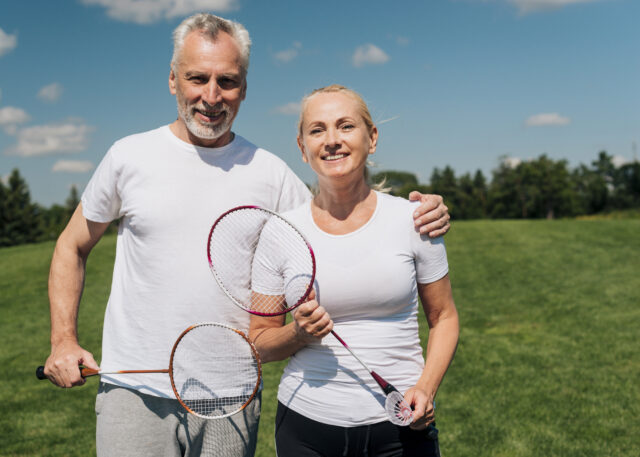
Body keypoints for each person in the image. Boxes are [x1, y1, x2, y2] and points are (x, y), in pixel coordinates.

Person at [42, 14, 451, 457]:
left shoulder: (271, 173)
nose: (212, 96)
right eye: (197, 78)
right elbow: (72, 245)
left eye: (228, 81)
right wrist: (63, 340)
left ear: (244, 87)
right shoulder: (128, 156)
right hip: (133, 391)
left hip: (232, 397)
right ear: (173, 80)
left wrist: (425, 210)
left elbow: (337, 215)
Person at [249, 85, 460, 457]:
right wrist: (298, 334)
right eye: (317, 130)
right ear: (302, 148)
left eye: (345, 126)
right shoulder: (280, 231)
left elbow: (443, 317)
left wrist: (426, 388)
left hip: (402, 423)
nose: (332, 140)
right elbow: (259, 343)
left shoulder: (415, 219)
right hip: (306, 428)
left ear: (372, 138)